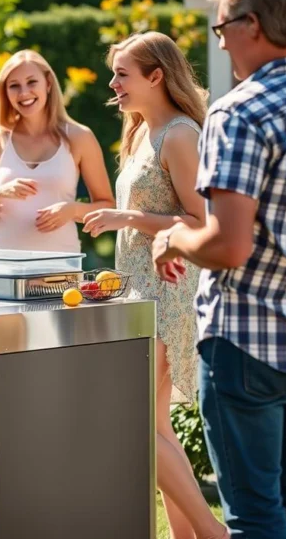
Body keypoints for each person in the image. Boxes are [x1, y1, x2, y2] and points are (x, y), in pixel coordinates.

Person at [152, 0, 286, 537]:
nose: (220, 39)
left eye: (220, 25)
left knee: (255, 514)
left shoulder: (240, 109)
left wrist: (171, 235)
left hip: (248, 340)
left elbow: (228, 245)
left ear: (252, 24)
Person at [83, 32, 227, 539]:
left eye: (123, 73)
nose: (113, 83)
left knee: (140, 422)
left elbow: (199, 221)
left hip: (168, 291)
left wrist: (127, 216)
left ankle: (214, 533)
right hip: (139, 291)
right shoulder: (142, 130)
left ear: (156, 76)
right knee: (157, 425)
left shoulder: (181, 135)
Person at [0, 50, 114, 252]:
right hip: (1, 267)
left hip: (59, 267)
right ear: (5, 92)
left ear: (48, 83)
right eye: (14, 86)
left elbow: (107, 206)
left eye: (31, 82)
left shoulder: (79, 137)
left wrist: (72, 210)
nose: (24, 93)